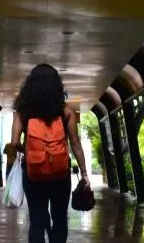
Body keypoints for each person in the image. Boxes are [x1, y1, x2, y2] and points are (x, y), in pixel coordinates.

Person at [5, 64, 88, 243]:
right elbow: (75, 143)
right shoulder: (66, 112)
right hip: (60, 174)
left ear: (31, 85)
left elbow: (14, 143)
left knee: (37, 221)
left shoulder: (23, 112)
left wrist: (29, 150)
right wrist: (84, 173)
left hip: (33, 173)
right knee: (59, 220)